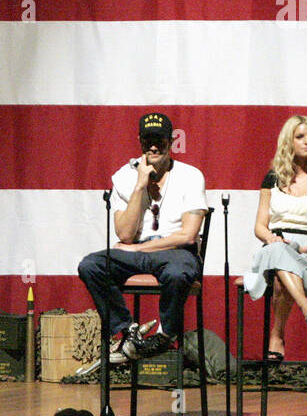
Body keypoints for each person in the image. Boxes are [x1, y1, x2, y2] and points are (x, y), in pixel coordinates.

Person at [77, 111, 208, 368]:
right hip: (133, 250)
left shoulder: (191, 176)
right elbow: (124, 234)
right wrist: (139, 186)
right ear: (139, 141)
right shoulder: (123, 178)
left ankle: (164, 335)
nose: (154, 146)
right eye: (148, 140)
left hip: (175, 251)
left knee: (178, 273)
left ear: (171, 141)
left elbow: (188, 234)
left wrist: (141, 248)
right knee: (91, 265)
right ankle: (127, 333)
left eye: (160, 140)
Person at [242, 115, 307, 361]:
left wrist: (306, 249)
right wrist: (273, 239)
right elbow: (260, 226)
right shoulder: (272, 178)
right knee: (277, 252)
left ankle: (277, 334)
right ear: (289, 142)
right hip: (275, 244)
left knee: (280, 275)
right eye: (300, 137)